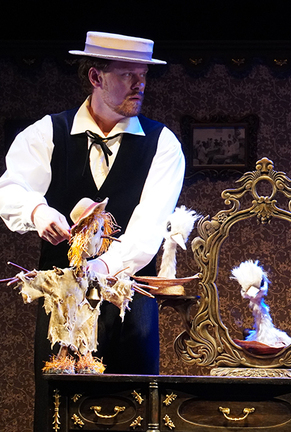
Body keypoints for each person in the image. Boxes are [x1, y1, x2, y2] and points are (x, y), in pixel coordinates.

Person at [0, 31, 185, 432]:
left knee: (132, 413)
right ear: (96, 77)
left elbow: (147, 230)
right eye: (127, 75)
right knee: (59, 415)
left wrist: (96, 271)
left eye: (144, 75)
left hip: (129, 306)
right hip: (61, 307)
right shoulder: (47, 132)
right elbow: (9, 189)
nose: (139, 85)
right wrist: (37, 211)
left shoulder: (162, 144)